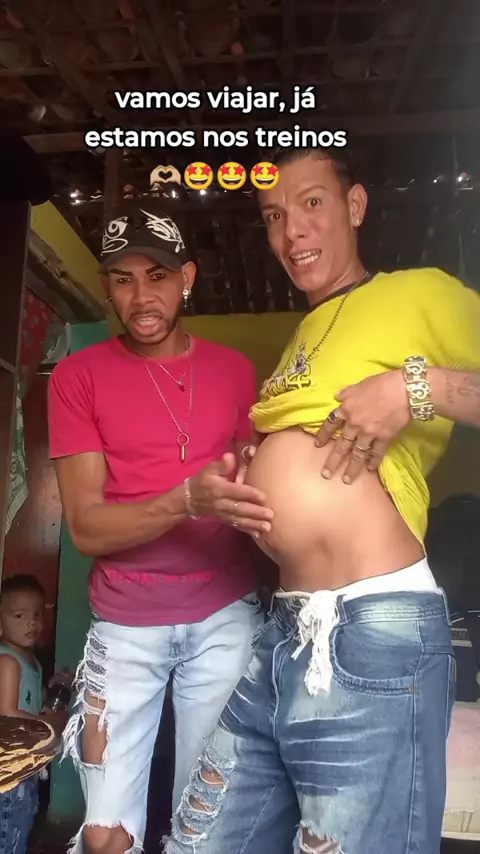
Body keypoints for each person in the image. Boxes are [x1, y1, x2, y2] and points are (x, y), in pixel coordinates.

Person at [163, 147, 480, 854]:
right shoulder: (304, 334)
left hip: (370, 630)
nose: (292, 230)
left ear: (354, 206)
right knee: (198, 841)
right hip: (284, 630)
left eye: (312, 203)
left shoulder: (419, 294)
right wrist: (252, 478)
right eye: (275, 215)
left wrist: (414, 389)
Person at [47, 210, 276, 854]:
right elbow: (87, 528)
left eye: (157, 276)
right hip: (125, 623)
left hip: (225, 617)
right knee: (106, 835)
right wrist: (185, 499)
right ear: (106, 286)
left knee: (206, 828)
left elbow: (252, 484)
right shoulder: (76, 377)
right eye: (122, 280)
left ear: (187, 278)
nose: (140, 296)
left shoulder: (235, 371)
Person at [0, 574, 65, 854]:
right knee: (9, 835)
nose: (32, 623)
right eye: (19, 615)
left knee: (20, 827)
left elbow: (27, 704)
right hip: (8, 772)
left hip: (23, 764)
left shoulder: (30, 660)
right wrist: (50, 724)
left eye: (38, 614)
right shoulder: (7, 661)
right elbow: (7, 714)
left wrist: (51, 691)